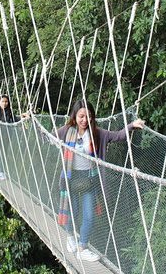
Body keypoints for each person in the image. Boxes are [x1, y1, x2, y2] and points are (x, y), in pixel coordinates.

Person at [56, 99, 145, 262]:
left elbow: (118, 136)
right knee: (72, 213)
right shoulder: (66, 131)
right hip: (70, 179)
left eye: (89, 116)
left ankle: (82, 247)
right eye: (81, 116)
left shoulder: (97, 133)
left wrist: (132, 125)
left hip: (89, 180)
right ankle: (70, 237)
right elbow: (48, 137)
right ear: (75, 116)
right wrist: (28, 121)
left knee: (89, 216)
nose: (85, 120)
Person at [0, 95, 17, 180]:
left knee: (4, 152)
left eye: (6, 102)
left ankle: (1, 170)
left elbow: (16, 119)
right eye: (3, 101)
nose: (5, 103)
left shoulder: (9, 112)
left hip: (7, 136)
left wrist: (24, 118)